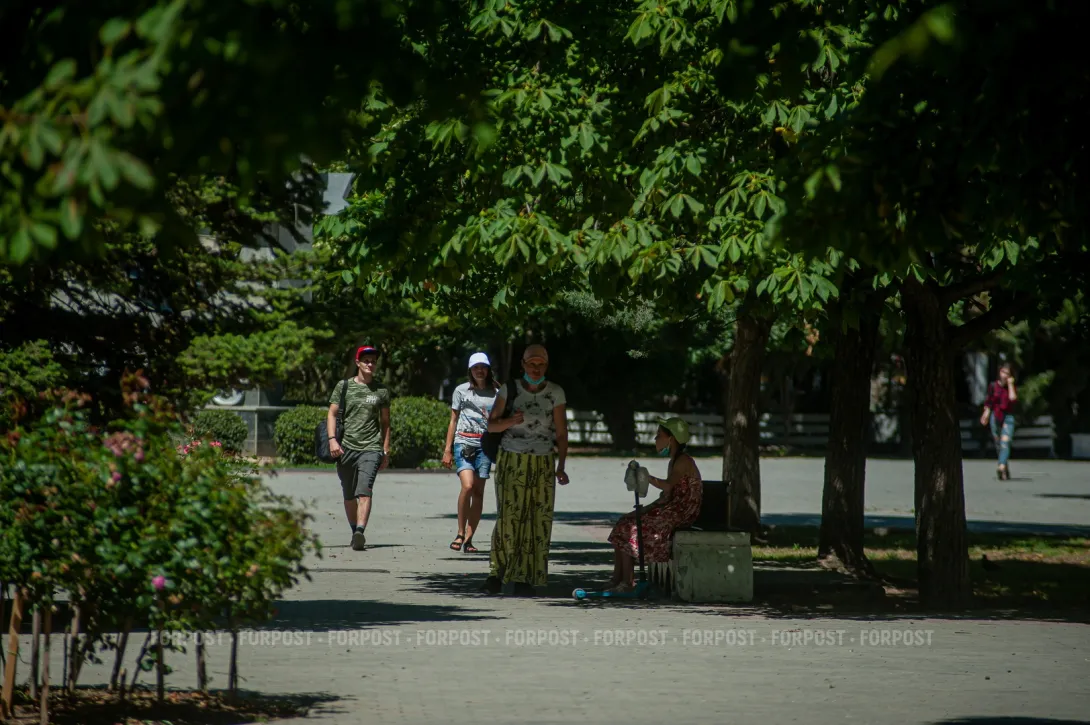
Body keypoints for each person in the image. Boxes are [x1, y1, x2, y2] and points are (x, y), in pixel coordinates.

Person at [479, 343, 569, 596]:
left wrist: (561, 466)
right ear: (523, 364)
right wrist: (510, 420)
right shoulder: (510, 390)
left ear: (547, 366)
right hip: (512, 459)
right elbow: (492, 426)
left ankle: (525, 577)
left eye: (541, 364)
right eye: (532, 363)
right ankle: (496, 574)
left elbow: (561, 433)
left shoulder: (556, 393)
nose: (536, 368)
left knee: (536, 520)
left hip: (542, 463)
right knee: (509, 518)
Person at [607, 417, 702, 593]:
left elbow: (667, 486)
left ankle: (628, 582)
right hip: (672, 509)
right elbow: (666, 496)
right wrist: (644, 510)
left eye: (659, 435)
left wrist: (646, 476)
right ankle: (617, 578)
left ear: (671, 439)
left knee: (631, 529)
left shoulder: (683, 461)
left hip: (681, 513)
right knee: (624, 523)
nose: (655, 439)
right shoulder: (674, 461)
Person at [327, 345, 392, 550]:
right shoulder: (344, 386)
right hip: (346, 447)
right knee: (348, 494)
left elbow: (385, 423)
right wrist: (332, 440)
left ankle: (360, 532)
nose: (370, 364)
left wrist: (385, 449)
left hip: (371, 447)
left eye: (373, 361)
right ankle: (354, 529)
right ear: (358, 363)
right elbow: (332, 414)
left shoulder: (381, 390)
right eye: (366, 361)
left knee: (364, 491)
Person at [441, 351, 499, 554]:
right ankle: (459, 532)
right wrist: (447, 449)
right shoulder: (461, 390)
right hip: (463, 442)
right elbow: (453, 420)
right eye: (476, 368)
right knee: (467, 486)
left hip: (485, 445)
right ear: (470, 371)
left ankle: (469, 538)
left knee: (479, 492)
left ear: (488, 369)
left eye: (483, 367)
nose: (480, 371)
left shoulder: (497, 392)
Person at [981, 362, 1018, 480]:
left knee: (1005, 442)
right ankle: (1004, 470)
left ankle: (1001, 466)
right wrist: (985, 414)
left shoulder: (1010, 387)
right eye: (1003, 372)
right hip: (995, 417)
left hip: (1008, 417)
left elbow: (1013, 399)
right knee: (999, 445)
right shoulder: (993, 386)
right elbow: (989, 402)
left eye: (1007, 373)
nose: (1004, 375)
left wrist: (1010, 385)